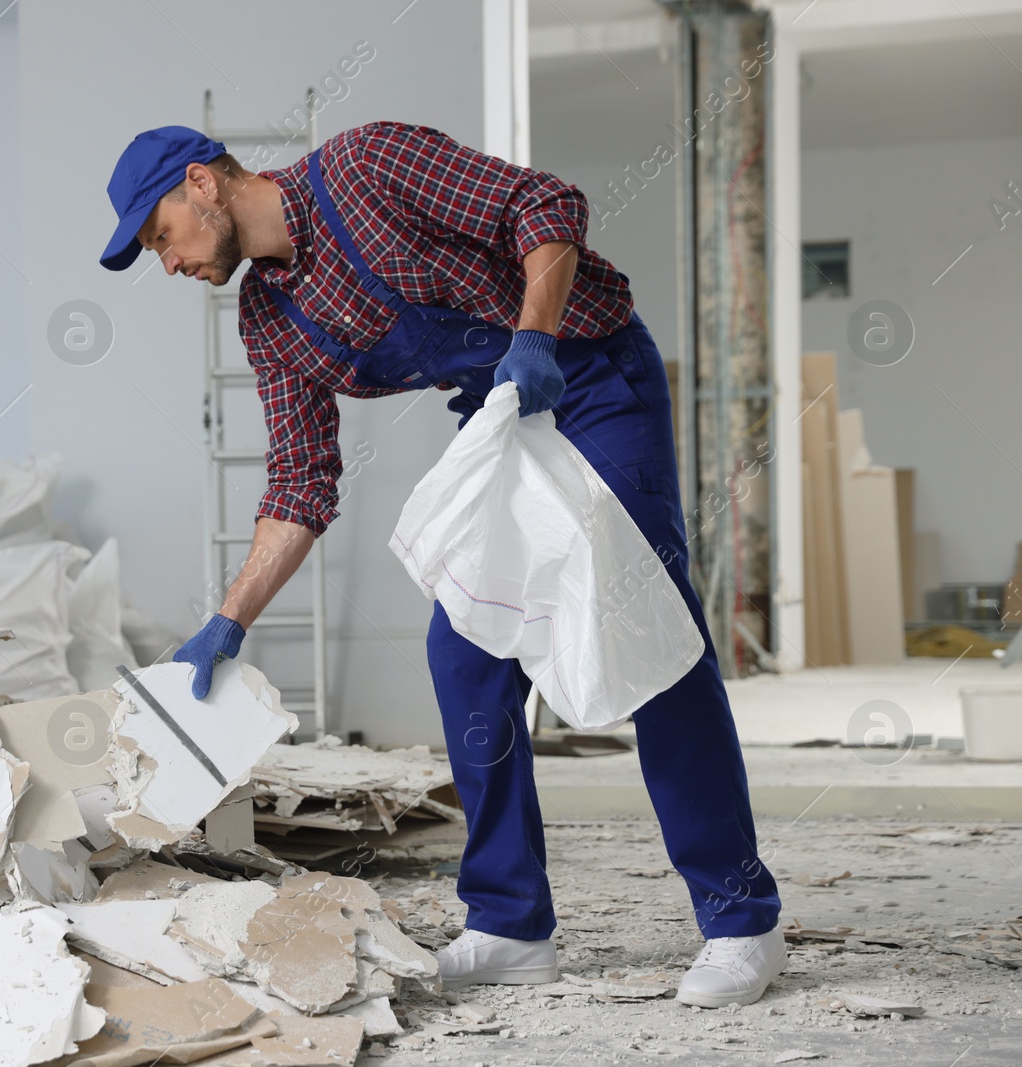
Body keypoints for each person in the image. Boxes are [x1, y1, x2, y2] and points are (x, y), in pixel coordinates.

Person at [98, 122, 784, 1006]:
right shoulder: (270, 316)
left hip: (588, 377)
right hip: (500, 416)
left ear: (202, 185)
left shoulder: (366, 166)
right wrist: (229, 621)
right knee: (465, 652)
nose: (168, 263)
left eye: (160, 236)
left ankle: (741, 920)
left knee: (644, 627)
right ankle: (508, 921)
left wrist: (534, 335)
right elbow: (302, 483)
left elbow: (546, 204)